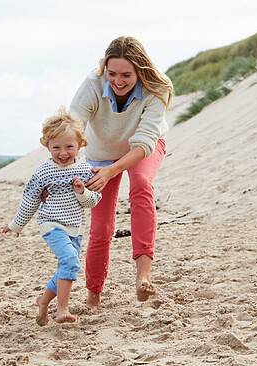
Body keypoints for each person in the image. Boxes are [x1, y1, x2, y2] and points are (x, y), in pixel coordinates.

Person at [69, 36, 173, 310]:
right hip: (101, 154)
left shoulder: (157, 87)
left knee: (140, 184)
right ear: (104, 68)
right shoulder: (93, 84)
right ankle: (93, 294)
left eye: (126, 75)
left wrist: (113, 171)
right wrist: (71, 164)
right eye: (112, 73)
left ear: (140, 71)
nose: (118, 81)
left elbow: (144, 143)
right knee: (101, 227)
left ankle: (143, 276)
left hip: (142, 148)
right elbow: (73, 126)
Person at [1, 107, 101, 325]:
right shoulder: (43, 172)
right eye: (56, 147)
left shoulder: (85, 170)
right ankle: (62, 310)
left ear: (80, 145)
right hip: (51, 224)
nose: (63, 152)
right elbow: (30, 199)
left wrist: (81, 191)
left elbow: (93, 201)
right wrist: (16, 225)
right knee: (69, 260)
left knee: (69, 266)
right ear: (47, 145)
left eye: (69, 147)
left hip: (75, 227)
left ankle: (43, 301)